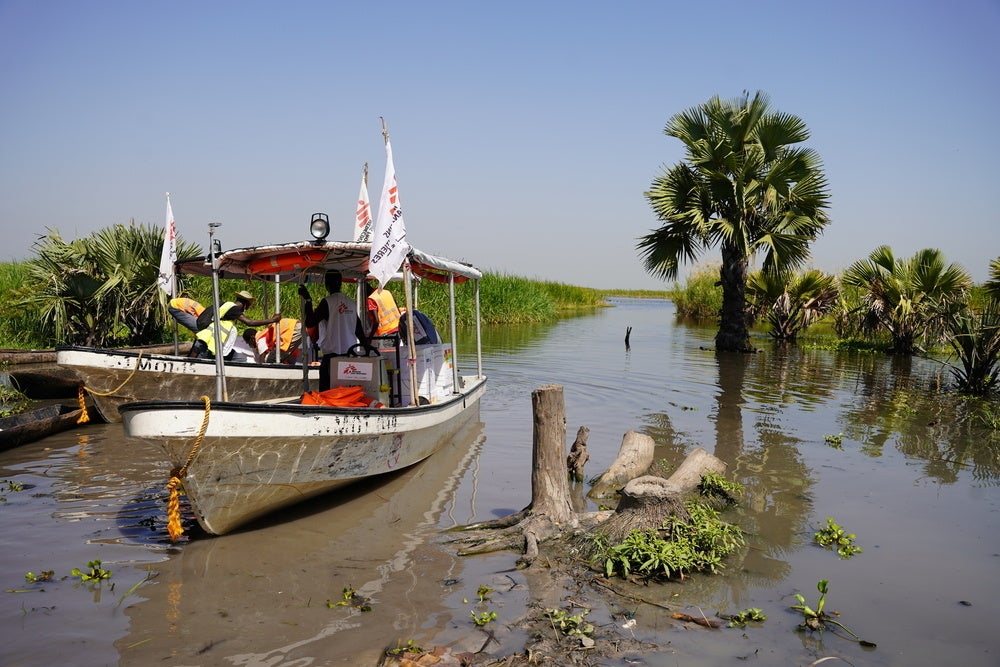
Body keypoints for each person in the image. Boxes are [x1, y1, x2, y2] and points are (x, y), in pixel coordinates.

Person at [299, 270, 367, 390]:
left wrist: (308, 301)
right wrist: (367, 351)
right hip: (349, 358)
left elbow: (310, 322)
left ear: (326, 284)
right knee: (346, 394)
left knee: (327, 394)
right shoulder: (351, 303)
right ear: (341, 283)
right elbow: (359, 331)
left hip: (331, 359)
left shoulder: (328, 302)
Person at [189, 290, 280, 360]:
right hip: (211, 338)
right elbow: (249, 322)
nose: (247, 308)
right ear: (245, 304)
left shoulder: (226, 305)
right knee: (201, 358)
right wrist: (272, 320)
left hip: (207, 336)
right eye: (248, 306)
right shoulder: (234, 309)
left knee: (196, 353)